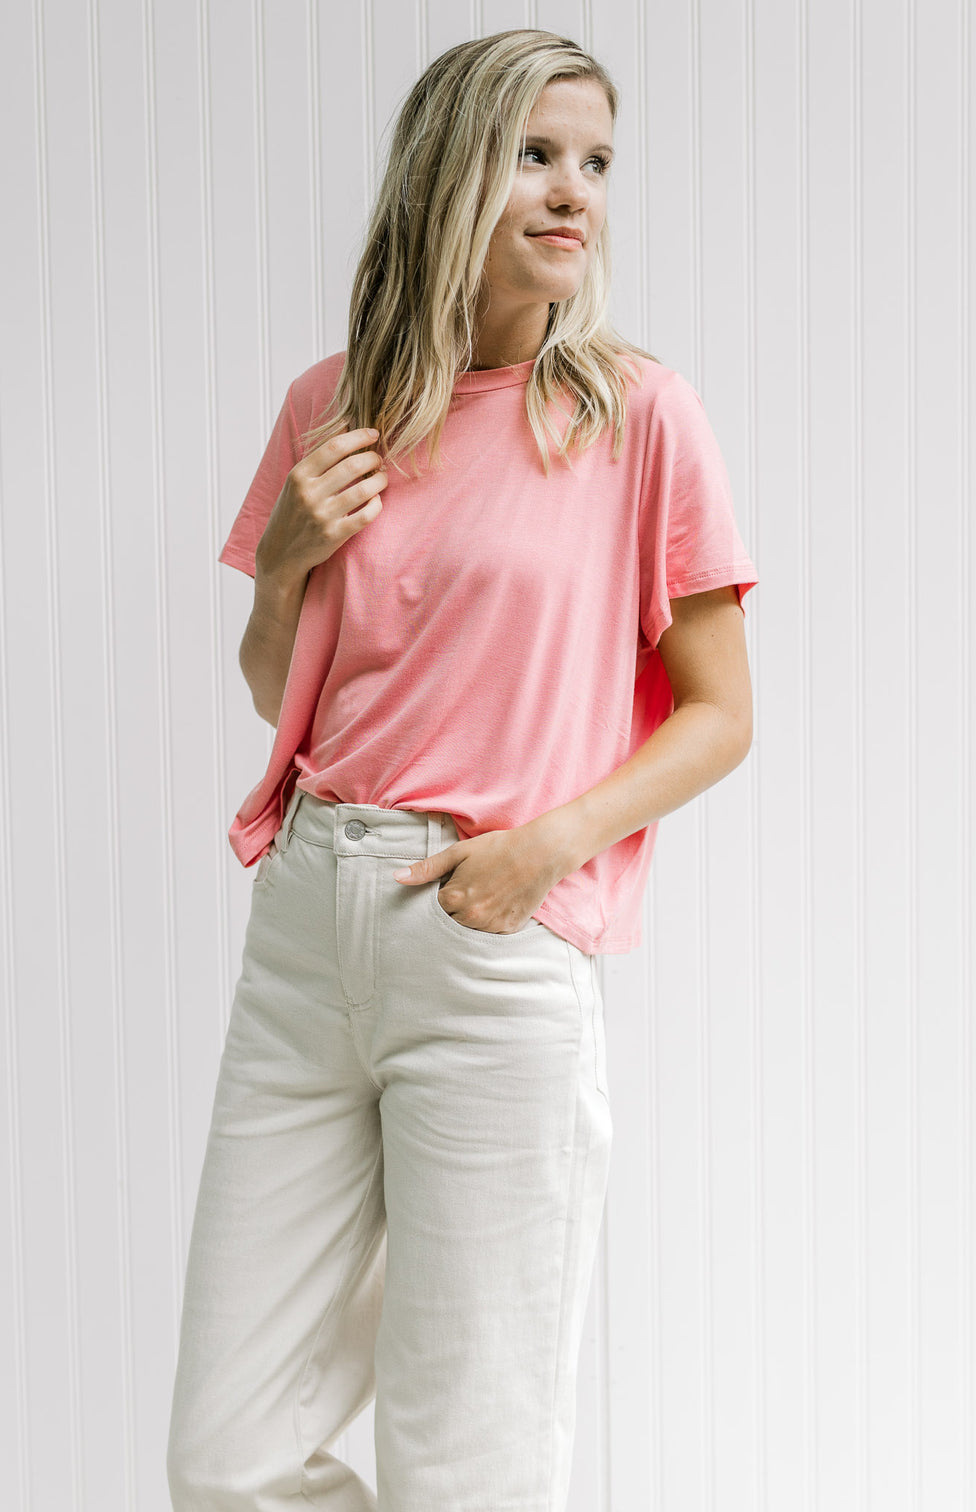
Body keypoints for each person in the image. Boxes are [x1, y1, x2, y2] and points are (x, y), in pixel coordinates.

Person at [166, 27, 757, 1512]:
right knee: (229, 1459)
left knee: (468, 1463)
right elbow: (275, 689)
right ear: (449, 174)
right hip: (307, 926)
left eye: (598, 164)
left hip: (489, 935)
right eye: (536, 156)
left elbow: (719, 714)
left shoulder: (634, 418)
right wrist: (283, 561)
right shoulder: (331, 405)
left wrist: (546, 846)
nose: (575, 195)